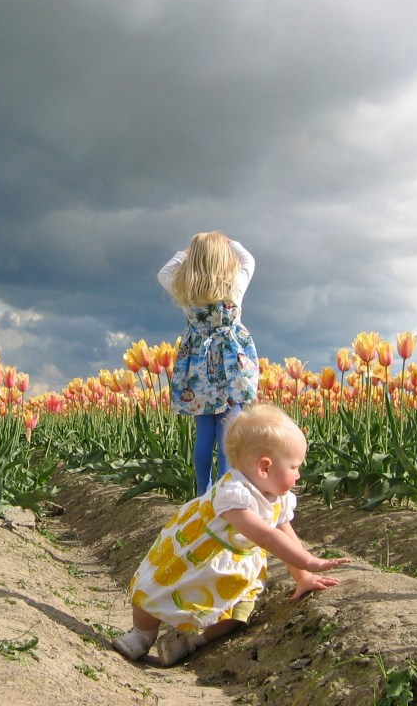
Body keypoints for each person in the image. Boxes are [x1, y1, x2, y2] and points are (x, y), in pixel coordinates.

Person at [112, 404, 351, 666]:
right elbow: (266, 536)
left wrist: (303, 577)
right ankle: (142, 635)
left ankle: (188, 641)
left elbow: (285, 532)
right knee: (154, 593)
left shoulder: (279, 500)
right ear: (265, 468)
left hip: (233, 569)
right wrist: (308, 561)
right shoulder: (233, 494)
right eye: (294, 467)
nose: (299, 474)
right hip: (196, 559)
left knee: (235, 617)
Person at [158, 232, 259, 496]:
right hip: (231, 369)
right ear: (224, 259)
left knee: (204, 431)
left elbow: (164, 273)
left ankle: (203, 492)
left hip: (197, 367)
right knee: (229, 430)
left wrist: (186, 252)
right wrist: (231, 243)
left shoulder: (185, 290)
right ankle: (227, 492)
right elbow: (249, 260)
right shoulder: (233, 287)